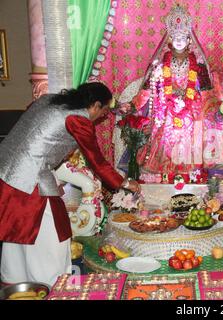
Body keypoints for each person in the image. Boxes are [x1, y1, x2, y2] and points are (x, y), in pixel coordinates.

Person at [0, 82, 140, 286]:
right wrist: (126, 182)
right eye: (103, 112)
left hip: (6, 172)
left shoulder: (49, 101)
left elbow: (39, 137)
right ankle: (53, 285)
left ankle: (15, 282)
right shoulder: (79, 120)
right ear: (95, 105)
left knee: (18, 230)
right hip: (30, 179)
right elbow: (97, 162)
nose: (101, 117)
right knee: (54, 233)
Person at [128, 5, 212, 178]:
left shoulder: (199, 67)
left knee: (191, 144)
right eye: (175, 37)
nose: (179, 40)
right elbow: (146, 91)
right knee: (163, 141)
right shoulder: (159, 66)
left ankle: (191, 177)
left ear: (189, 40)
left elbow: (207, 95)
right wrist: (131, 106)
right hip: (165, 115)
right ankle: (163, 178)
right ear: (169, 40)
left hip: (190, 115)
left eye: (183, 37)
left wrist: (218, 107)